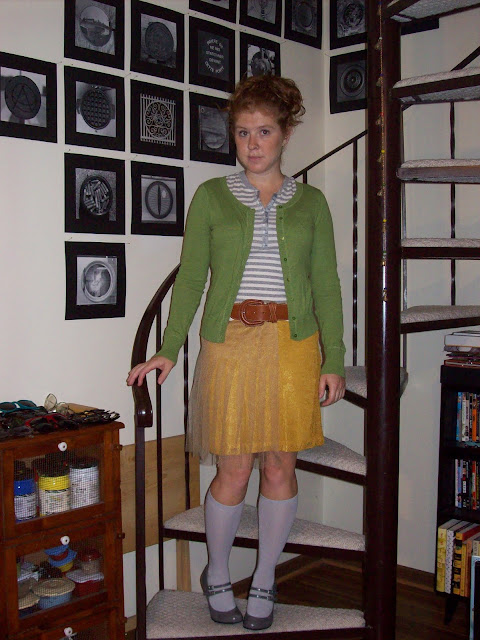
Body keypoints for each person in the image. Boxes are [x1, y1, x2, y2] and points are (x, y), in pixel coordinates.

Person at [127, 74, 346, 631]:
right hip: (229, 343)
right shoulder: (211, 197)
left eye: (264, 131)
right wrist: (168, 348)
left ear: (286, 133)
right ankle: (219, 572)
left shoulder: (312, 203)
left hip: (294, 345)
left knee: (279, 464)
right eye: (243, 132)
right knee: (235, 467)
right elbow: (191, 279)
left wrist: (334, 359)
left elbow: (326, 285)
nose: (252, 143)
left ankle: (266, 577)